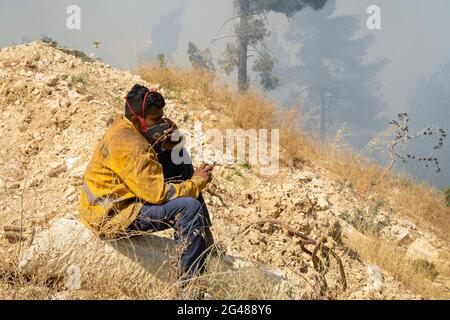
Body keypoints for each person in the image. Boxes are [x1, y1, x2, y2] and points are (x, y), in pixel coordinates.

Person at [79, 84, 214, 281]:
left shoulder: (125, 125)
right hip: (112, 215)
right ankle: (190, 287)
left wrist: (170, 140)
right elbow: (159, 195)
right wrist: (196, 183)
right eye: (156, 120)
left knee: (179, 157)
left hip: (120, 197)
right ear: (137, 119)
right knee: (189, 208)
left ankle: (204, 237)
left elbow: (149, 156)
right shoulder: (133, 147)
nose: (162, 123)